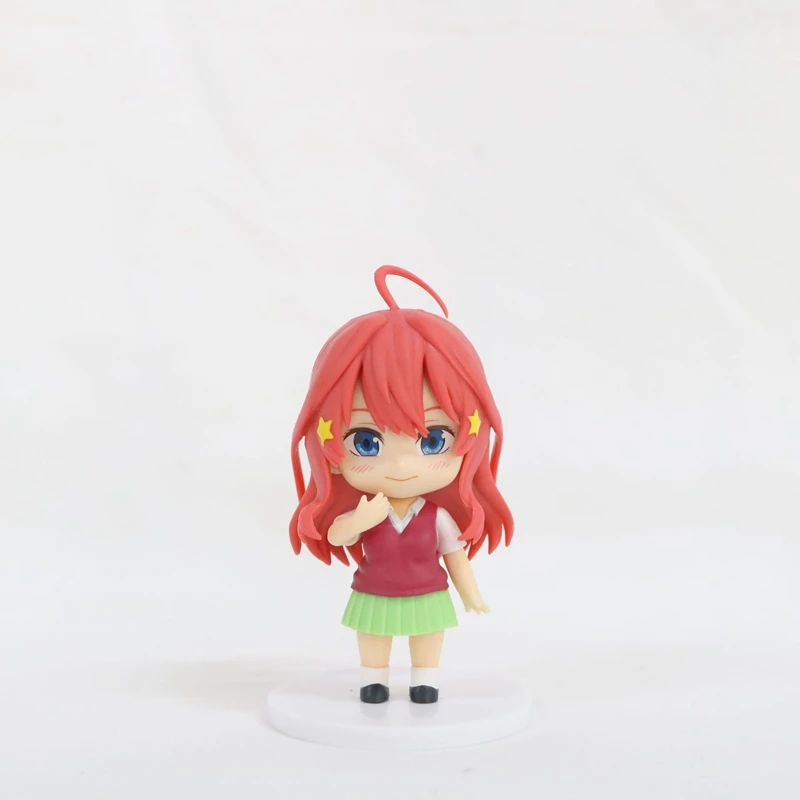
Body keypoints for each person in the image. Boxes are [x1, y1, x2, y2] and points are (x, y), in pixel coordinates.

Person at [289, 265, 513, 703]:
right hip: (374, 589)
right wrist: (359, 520)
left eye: (433, 440)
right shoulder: (368, 509)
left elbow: (455, 557)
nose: (402, 464)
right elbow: (337, 535)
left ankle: (424, 679)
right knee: (373, 633)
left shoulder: (438, 517)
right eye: (366, 442)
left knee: (427, 634)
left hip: (427, 591)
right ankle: (373, 679)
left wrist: (470, 592)